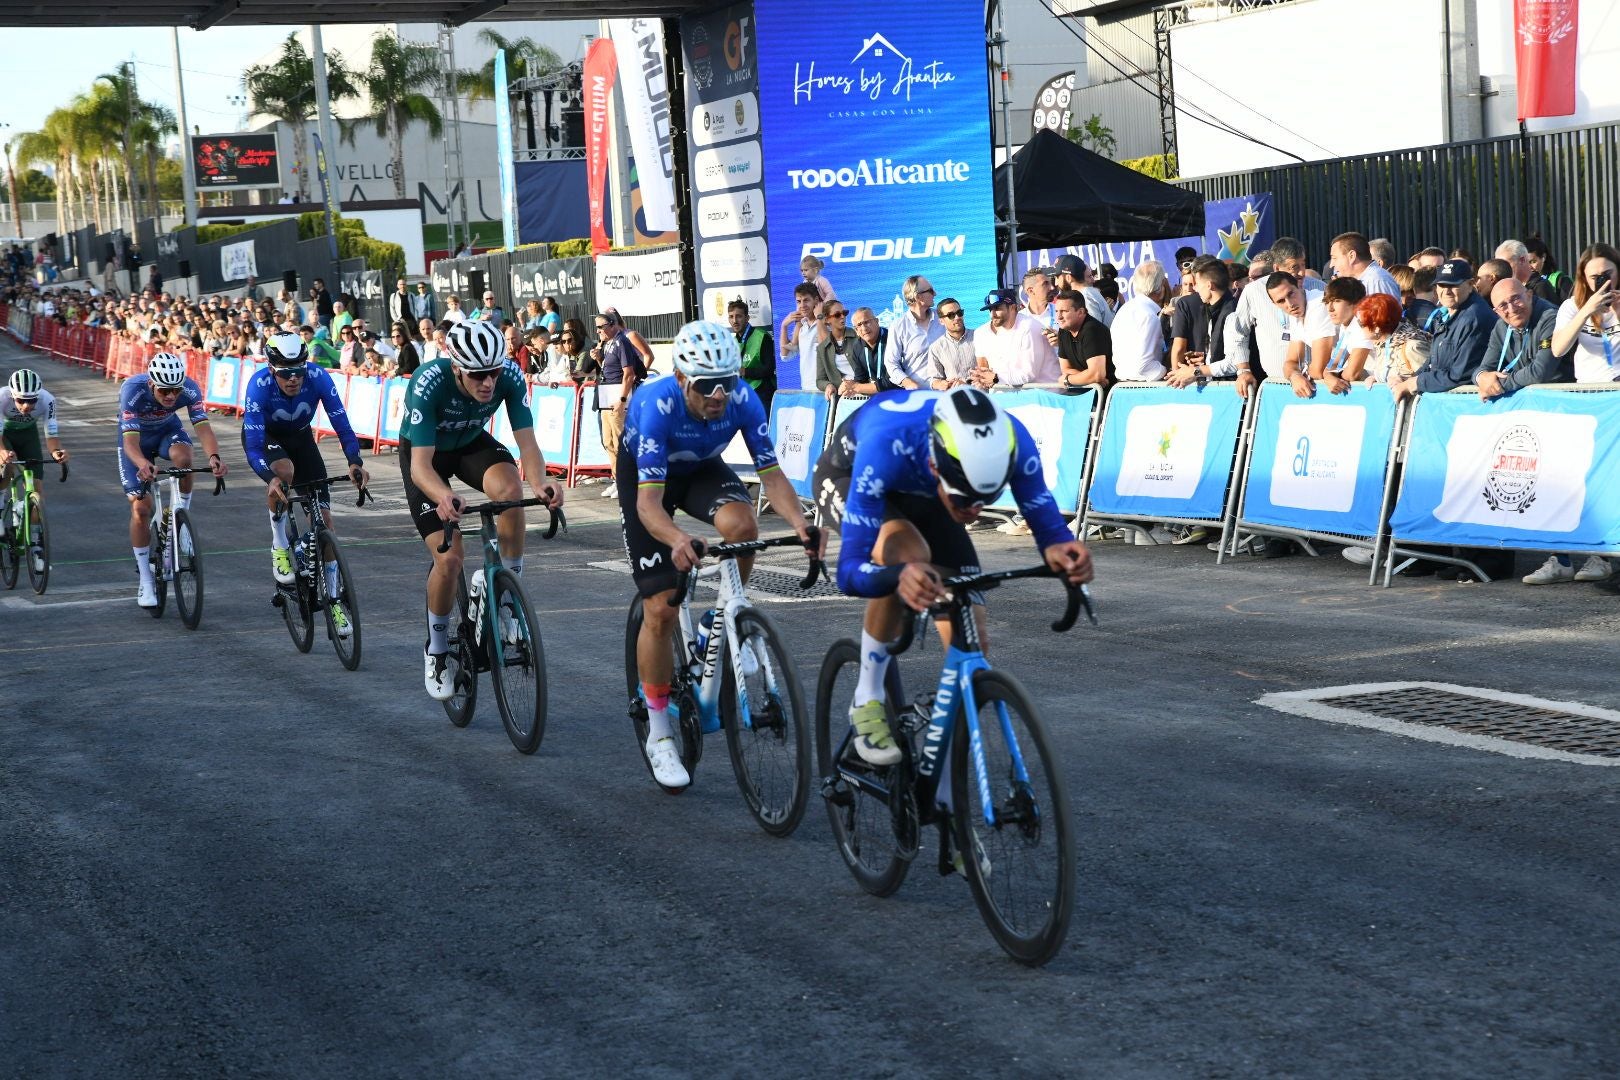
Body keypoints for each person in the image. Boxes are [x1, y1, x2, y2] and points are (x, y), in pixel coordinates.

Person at [811, 387, 1093, 765]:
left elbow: (1047, 526)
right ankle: (867, 698)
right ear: (935, 467)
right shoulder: (883, 447)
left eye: (986, 499)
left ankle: (943, 778)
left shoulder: (1012, 441)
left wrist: (1061, 548)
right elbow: (849, 573)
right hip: (852, 476)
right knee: (909, 555)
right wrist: (898, 576)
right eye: (964, 499)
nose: (974, 511)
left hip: (929, 489)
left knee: (972, 632)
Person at [619, 320, 821, 789]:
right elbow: (649, 505)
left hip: (701, 468)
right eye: (707, 386)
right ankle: (661, 732)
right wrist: (676, 541)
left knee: (744, 525)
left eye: (727, 384)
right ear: (682, 379)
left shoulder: (742, 400)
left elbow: (771, 477)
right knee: (661, 607)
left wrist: (801, 524)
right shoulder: (656, 405)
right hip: (648, 479)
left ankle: (724, 614)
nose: (719, 396)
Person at [400, 320, 564, 700]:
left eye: (492, 372)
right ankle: (437, 651)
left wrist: (540, 483)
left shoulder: (508, 374)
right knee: (450, 558)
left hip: (472, 444)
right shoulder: (428, 381)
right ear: (457, 367)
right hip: (427, 459)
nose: (488, 382)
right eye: (477, 375)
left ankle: (506, 596)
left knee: (510, 490)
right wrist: (443, 495)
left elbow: (528, 443)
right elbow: (421, 468)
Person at [241, 334, 371, 634]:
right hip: (268, 442)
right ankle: (279, 544)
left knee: (325, 523)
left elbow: (341, 422)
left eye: (299, 371)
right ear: (272, 369)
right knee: (284, 472)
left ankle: (335, 599)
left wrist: (355, 461)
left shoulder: (318, 377)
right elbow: (253, 447)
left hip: (301, 440)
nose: (294, 379)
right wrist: (269, 478)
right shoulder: (258, 386)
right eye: (286, 373)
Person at [118, 352, 228, 608]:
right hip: (136, 441)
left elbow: (202, 427)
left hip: (168, 430)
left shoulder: (189, 389)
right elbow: (130, 443)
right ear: (151, 384)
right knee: (140, 508)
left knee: (185, 459)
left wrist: (214, 456)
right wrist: (143, 464)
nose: (170, 397)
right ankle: (145, 580)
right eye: (164, 391)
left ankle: (181, 519)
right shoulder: (132, 391)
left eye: (175, 391)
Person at [1392, 259, 1496, 404]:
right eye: (1442, 285)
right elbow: (1433, 362)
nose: (1446, 291)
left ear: (1470, 285)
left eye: (1454, 285)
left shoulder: (1473, 318)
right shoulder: (1449, 313)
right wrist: (1410, 378)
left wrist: (1414, 383)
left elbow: (1459, 375)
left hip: (1469, 406)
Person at [0, 369, 69, 572]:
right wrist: (3, 453)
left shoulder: (48, 400)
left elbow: (51, 434)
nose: (26, 406)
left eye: (31, 400)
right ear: (13, 395)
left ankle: (37, 546)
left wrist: (57, 452)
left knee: (37, 490)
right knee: (8, 468)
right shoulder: (2, 397)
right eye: (21, 400)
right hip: (5, 435)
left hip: (28, 436)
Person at [592, 309, 655, 495]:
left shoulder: (622, 341)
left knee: (622, 442)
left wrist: (622, 399)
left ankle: (630, 481)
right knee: (608, 441)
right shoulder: (607, 343)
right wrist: (599, 359)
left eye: (601, 327)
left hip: (618, 397)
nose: (598, 331)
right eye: (596, 328)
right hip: (606, 397)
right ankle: (618, 479)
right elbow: (609, 370)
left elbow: (628, 374)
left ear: (612, 325)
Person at [1550, 243, 1620, 383]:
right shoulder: (1572, 306)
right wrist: (1586, 311)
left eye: (1608, 274)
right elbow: (1558, 350)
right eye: (1594, 277)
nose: (1604, 282)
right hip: (1589, 388)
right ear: (1584, 278)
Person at [975, 287, 1058, 386]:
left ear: (1013, 308)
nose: (992, 315)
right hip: (1024, 396)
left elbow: (1029, 375)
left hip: (1047, 395)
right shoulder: (1002, 329)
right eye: (990, 310)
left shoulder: (1028, 328)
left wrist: (996, 378)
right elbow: (1003, 372)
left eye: (997, 308)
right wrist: (981, 378)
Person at [1111, 261, 1170, 382]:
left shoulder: (1125, 309)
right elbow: (1144, 367)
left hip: (1123, 385)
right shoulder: (1148, 316)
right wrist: (1168, 371)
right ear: (1161, 287)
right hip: (1143, 387)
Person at [886, 275, 944, 390]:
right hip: (918, 397)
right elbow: (891, 363)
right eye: (930, 291)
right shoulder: (898, 327)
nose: (935, 294)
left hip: (946, 392)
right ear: (918, 297)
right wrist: (908, 383)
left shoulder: (943, 318)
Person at [816, 303, 880, 396]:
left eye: (844, 313)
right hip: (844, 397)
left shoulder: (860, 335)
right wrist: (828, 385)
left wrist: (855, 385)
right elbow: (820, 380)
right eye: (837, 315)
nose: (842, 317)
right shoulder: (822, 348)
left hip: (868, 392)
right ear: (827, 320)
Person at [1054, 288, 1111, 389]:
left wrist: (1067, 380)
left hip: (1107, 396)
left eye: (1064, 311)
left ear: (1080, 312)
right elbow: (1065, 369)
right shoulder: (1063, 330)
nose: (1059, 317)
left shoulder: (1093, 330)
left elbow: (1097, 374)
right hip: (1084, 393)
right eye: (1057, 311)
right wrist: (1091, 380)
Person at [927, 297, 988, 390]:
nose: (957, 317)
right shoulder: (936, 347)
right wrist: (942, 384)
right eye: (951, 315)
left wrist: (967, 384)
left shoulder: (980, 337)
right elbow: (934, 380)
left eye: (959, 313)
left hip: (982, 397)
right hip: (955, 399)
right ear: (941, 321)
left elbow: (991, 370)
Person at [727, 298, 774, 412]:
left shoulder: (762, 336)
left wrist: (744, 371)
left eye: (739, 316)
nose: (735, 320)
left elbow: (769, 369)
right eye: (731, 317)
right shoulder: (732, 342)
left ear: (747, 318)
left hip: (762, 395)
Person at [779, 282, 821, 391]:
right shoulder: (801, 326)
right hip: (806, 388)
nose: (802, 305)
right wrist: (784, 326)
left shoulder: (827, 323)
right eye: (799, 301)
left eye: (806, 300)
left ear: (816, 300)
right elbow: (786, 356)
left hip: (827, 389)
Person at [1053, 253, 1113, 326]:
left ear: (1068, 278)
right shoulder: (1086, 294)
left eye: (1057, 277)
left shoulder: (1085, 297)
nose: (1056, 283)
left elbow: (1093, 332)